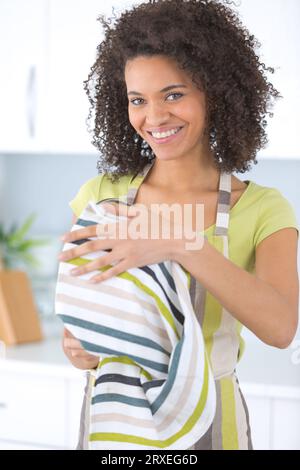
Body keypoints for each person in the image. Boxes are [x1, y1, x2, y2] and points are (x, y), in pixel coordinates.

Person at [59, 0, 299, 450]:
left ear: (217, 91)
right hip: (114, 423)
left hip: (213, 426)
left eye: (174, 94)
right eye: (137, 100)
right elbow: (82, 330)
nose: (154, 117)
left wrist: (179, 243)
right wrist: (80, 350)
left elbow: (281, 327)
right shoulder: (100, 198)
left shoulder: (264, 209)